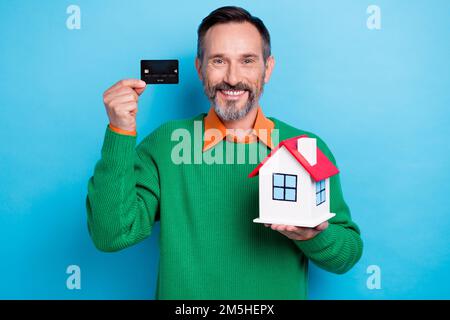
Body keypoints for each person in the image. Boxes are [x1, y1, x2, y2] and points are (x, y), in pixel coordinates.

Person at [86, 6, 363, 299]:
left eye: (247, 61)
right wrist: (120, 130)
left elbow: (347, 254)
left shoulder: (306, 147)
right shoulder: (165, 144)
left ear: (267, 69)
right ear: (200, 67)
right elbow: (111, 235)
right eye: (219, 60)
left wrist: (316, 236)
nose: (232, 78)